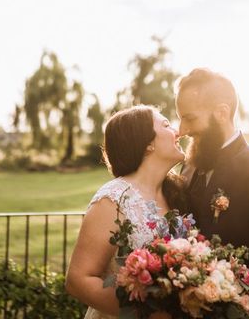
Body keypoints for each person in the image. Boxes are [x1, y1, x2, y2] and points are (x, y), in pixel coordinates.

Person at [175, 68, 249, 299]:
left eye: (190, 118)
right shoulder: (187, 167)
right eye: (180, 119)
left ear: (221, 113)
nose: (182, 130)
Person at [65, 105, 186, 319]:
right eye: (166, 125)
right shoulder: (113, 199)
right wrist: (145, 314)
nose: (177, 131)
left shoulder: (177, 195)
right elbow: (78, 279)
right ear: (148, 143)